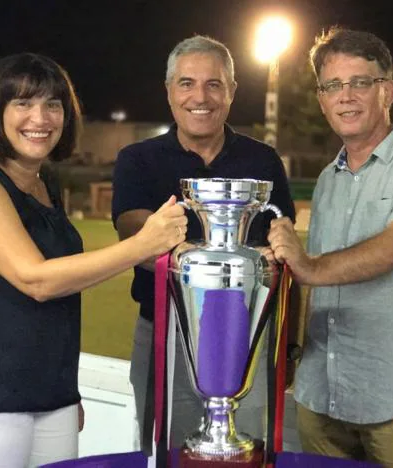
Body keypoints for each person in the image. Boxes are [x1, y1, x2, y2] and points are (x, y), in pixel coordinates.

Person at [0, 53, 187, 468]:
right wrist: (142, 245)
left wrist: (67, 392)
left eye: (53, 104)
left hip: (52, 395)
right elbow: (37, 281)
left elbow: (58, 301)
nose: (41, 117)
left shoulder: (46, 181)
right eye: (23, 103)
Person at [267, 28, 393, 467]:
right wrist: (293, 354)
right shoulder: (328, 179)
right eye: (333, 85)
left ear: (386, 91)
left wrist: (309, 265)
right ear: (321, 99)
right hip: (321, 393)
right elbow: (306, 279)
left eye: (359, 82)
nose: (345, 96)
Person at [111, 35, 295, 447]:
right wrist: (196, 257)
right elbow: (132, 231)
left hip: (246, 337)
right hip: (164, 332)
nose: (201, 96)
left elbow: (281, 243)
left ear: (232, 91)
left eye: (214, 84)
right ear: (169, 92)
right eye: (187, 83)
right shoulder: (138, 159)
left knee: (242, 447)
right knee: (167, 451)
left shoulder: (262, 160)